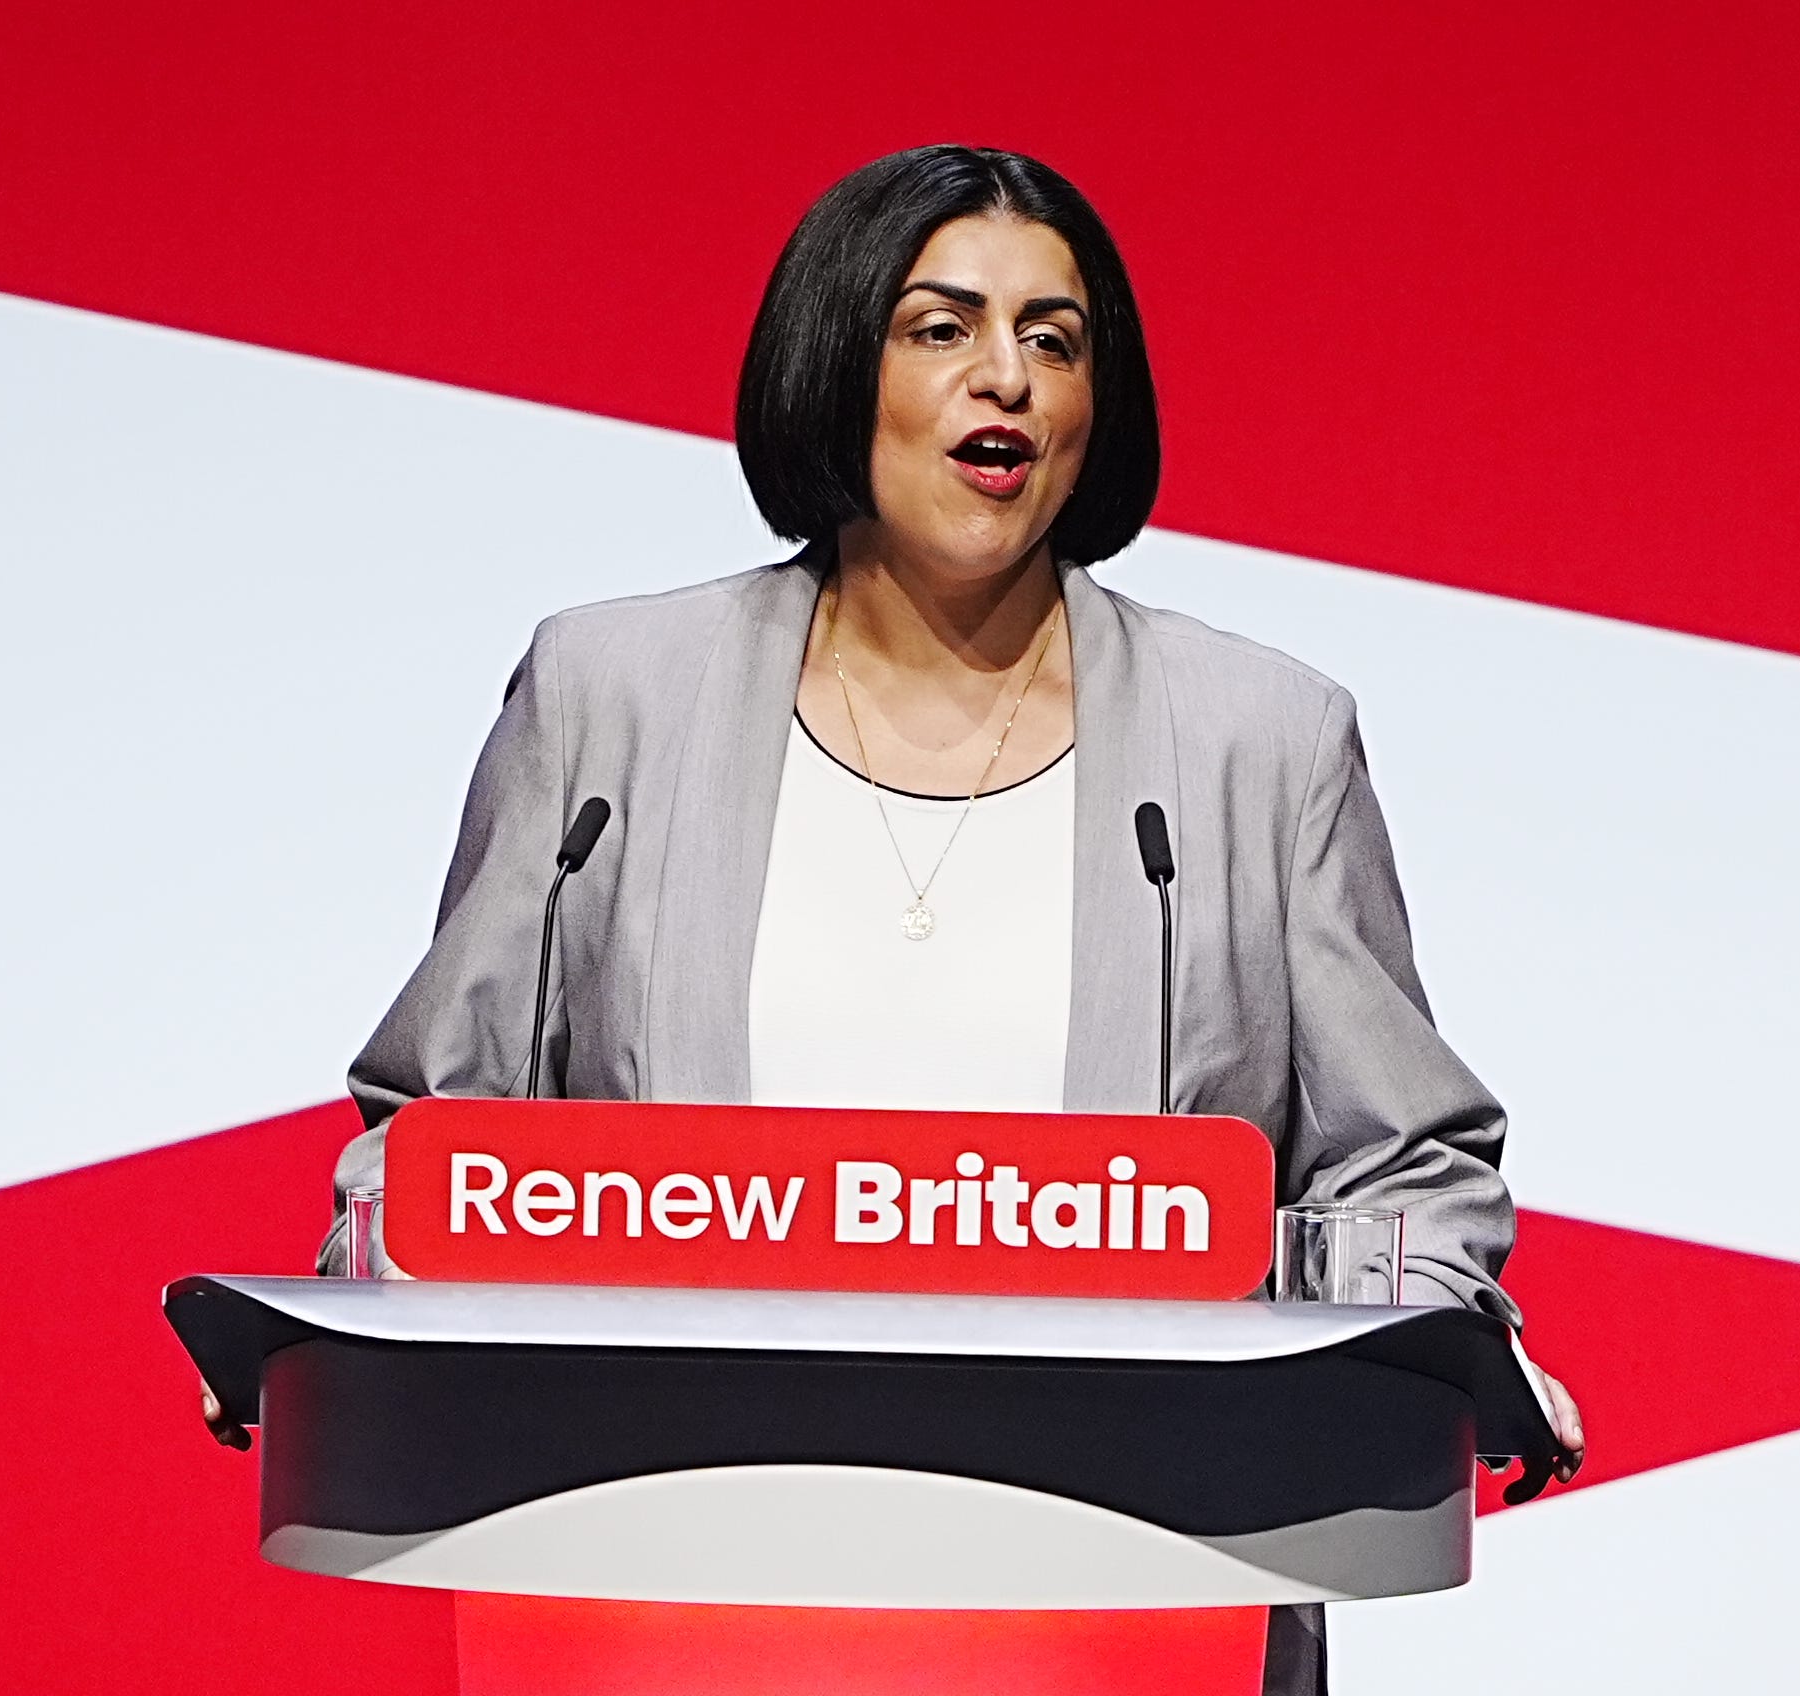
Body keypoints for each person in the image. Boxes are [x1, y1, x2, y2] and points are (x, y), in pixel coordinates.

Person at [294, 144, 1585, 1694]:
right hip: (674, 1590)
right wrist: (368, 1285)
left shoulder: (1256, 741)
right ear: (838, 361)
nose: (1010, 383)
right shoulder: (611, 698)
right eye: (943, 328)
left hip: (1123, 1604)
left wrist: (1403, 1329)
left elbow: (1413, 1167)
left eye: (1057, 340)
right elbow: (435, 1131)